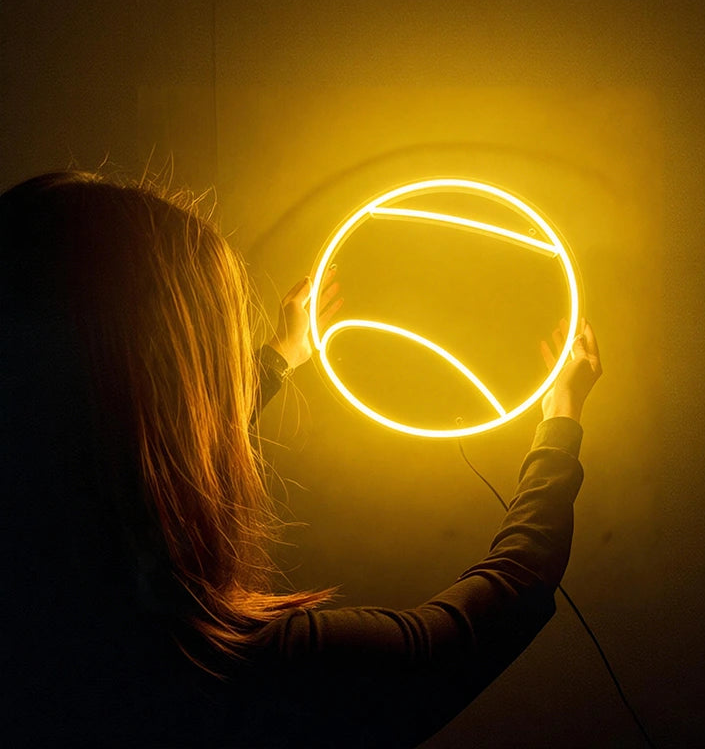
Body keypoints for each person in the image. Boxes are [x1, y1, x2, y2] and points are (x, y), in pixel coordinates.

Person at [0, 170, 602, 748]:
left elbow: (125, 446)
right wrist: (560, 424)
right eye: (213, 360)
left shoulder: (40, 633)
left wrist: (277, 361)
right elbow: (490, 616)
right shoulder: (238, 675)